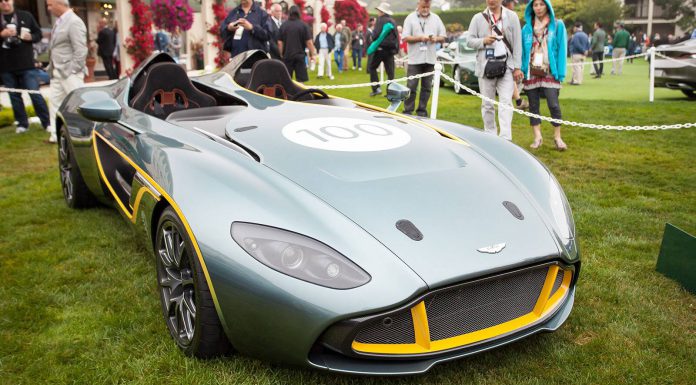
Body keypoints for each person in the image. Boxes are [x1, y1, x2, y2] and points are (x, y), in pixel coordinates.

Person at [467, 0, 523, 141]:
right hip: (486, 66)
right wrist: (483, 41)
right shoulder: (477, 18)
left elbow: (517, 44)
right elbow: (469, 41)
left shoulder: (512, 16)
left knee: (506, 102)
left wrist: (517, 67)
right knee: (487, 104)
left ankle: (505, 138)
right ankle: (490, 136)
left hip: (507, 65)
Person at [521, 0, 567, 151]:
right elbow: (522, 51)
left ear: (547, 6)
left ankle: (558, 137)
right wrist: (522, 69)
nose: (538, 8)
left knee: (553, 104)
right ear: (531, 8)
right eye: (535, 5)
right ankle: (537, 137)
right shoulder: (527, 28)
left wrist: (560, 72)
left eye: (541, 4)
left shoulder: (558, 25)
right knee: (533, 105)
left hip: (550, 71)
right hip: (532, 70)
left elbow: (562, 49)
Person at [0, 0, 50, 135]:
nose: (4, 3)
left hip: (26, 64)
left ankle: (47, 123)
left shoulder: (25, 16)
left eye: (7, 0)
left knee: (35, 94)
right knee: (14, 96)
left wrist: (30, 36)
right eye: (1, 1)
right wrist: (2, 35)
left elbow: (38, 34)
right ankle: (22, 124)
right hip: (6, 66)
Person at [46, 0, 87, 144]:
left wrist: (72, 70)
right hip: (57, 71)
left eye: (50, 5)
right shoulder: (59, 21)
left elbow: (81, 50)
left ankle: (85, 132)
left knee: (78, 105)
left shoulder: (74, 21)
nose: (48, 8)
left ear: (60, 4)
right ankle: (55, 135)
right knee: (55, 103)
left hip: (70, 73)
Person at [401, 0, 446, 117]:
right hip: (415, 59)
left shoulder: (436, 18)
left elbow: (443, 36)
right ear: (418, 5)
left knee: (426, 88)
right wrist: (420, 38)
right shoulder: (410, 18)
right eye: (423, 7)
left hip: (430, 59)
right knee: (411, 86)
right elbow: (405, 37)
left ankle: (422, 111)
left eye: (427, 7)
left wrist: (436, 39)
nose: (425, 9)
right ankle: (408, 111)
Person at [368, 3, 399, 97]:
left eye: (378, 11)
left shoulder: (380, 20)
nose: (377, 12)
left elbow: (375, 35)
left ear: (381, 11)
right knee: (390, 72)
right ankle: (390, 92)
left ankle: (376, 88)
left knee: (372, 68)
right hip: (390, 51)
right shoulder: (392, 21)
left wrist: (372, 38)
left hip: (380, 49)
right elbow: (396, 36)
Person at [278, 5, 315, 83]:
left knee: (286, 80)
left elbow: (280, 42)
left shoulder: (284, 25)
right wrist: (313, 54)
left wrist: (281, 54)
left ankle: (287, 94)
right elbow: (309, 42)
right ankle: (301, 95)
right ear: (299, 13)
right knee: (301, 81)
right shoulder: (304, 25)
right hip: (300, 56)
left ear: (289, 13)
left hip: (287, 56)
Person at [502, 0, 527, 109]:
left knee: (513, 80)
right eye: (512, 2)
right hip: (506, 58)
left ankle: (518, 101)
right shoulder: (507, 17)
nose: (513, 5)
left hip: (510, 57)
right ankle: (518, 101)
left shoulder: (511, 16)